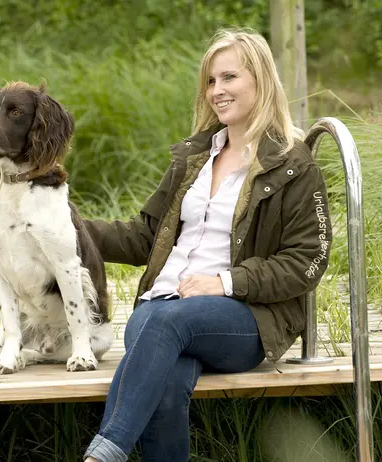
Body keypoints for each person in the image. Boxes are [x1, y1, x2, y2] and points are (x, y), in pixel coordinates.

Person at [81, 28, 333, 462]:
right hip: (161, 305)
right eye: (212, 81)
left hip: (247, 318)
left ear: (261, 80)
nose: (218, 91)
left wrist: (226, 281)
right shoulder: (194, 157)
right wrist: (71, 227)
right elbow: (145, 237)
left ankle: (105, 451)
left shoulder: (293, 164)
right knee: (165, 382)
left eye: (230, 78)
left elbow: (308, 261)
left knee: (164, 324)